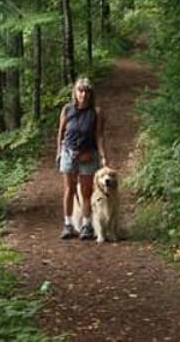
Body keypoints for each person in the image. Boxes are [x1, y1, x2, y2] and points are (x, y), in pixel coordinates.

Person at [56, 77, 108, 240]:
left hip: (89, 154)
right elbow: (61, 132)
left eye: (86, 91)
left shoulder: (96, 112)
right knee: (69, 189)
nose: (83, 94)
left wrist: (103, 155)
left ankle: (86, 225)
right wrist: (59, 151)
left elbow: (99, 135)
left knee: (87, 192)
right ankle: (68, 224)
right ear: (75, 93)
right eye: (80, 91)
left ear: (91, 94)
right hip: (69, 152)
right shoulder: (67, 109)